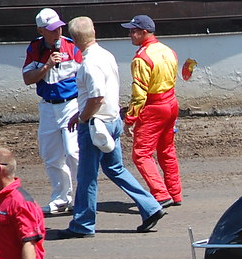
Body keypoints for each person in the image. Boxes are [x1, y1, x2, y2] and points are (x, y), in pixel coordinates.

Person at [56, 16, 165, 239]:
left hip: (97, 124)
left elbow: (96, 97)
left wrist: (83, 117)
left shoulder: (89, 63)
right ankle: (151, 206)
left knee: (87, 177)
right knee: (116, 169)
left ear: (75, 39)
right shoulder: (105, 54)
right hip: (112, 121)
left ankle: (83, 224)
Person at [22, 7, 82, 215]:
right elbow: (27, 79)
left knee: (74, 152)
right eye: (52, 29)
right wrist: (47, 66)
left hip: (71, 105)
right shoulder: (34, 48)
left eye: (59, 28)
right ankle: (61, 199)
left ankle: (81, 198)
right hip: (47, 107)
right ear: (41, 30)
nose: (58, 32)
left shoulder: (72, 46)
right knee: (51, 155)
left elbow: (86, 75)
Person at [121, 15, 182, 208]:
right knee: (166, 150)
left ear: (144, 32)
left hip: (154, 107)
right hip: (171, 103)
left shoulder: (141, 58)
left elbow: (139, 94)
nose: (130, 34)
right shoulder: (168, 50)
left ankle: (161, 194)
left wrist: (129, 119)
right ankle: (175, 193)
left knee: (141, 154)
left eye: (134, 31)